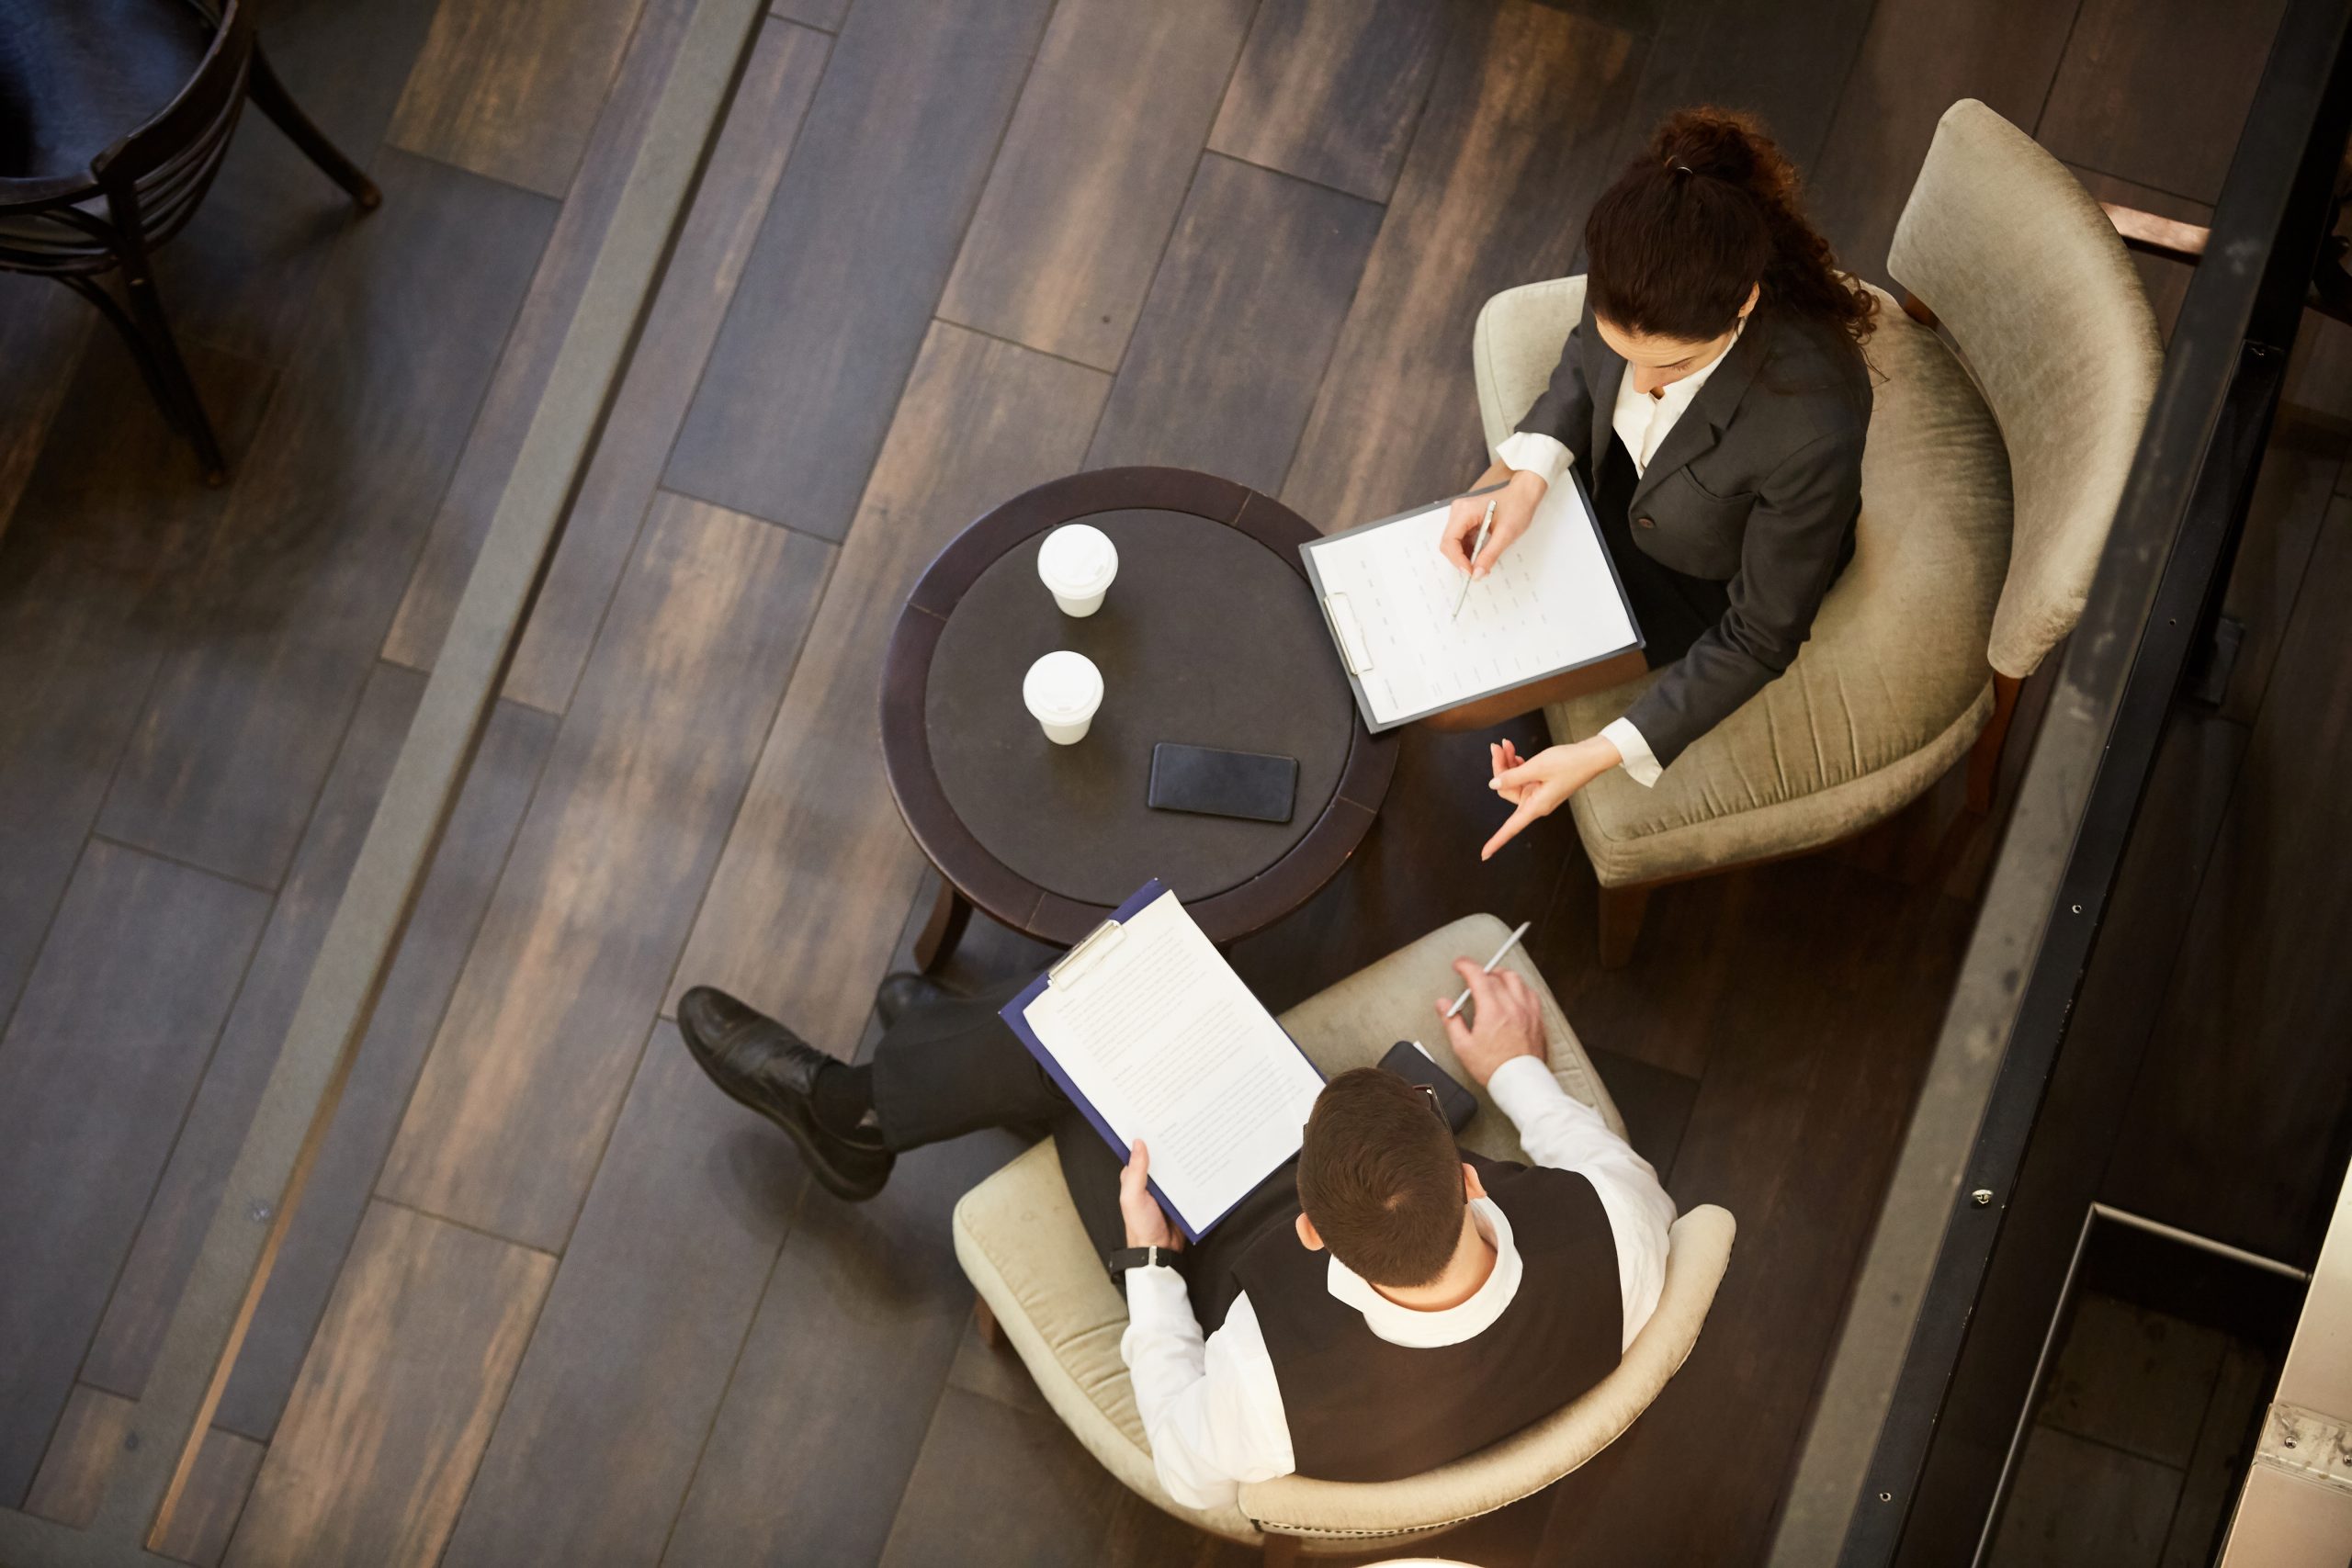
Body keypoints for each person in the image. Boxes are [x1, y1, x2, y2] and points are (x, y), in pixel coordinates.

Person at [675, 962, 1675, 1509]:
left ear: (1312, 1233)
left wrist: (1150, 1267)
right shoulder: (1619, 1229)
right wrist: (1515, 1071)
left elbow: (1188, 1461)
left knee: (1081, 1059)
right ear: (1463, 1178)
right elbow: (1590, 1155)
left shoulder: (1266, 1381)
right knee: (1083, 1036)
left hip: (1217, 1263)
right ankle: (936, 1048)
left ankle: (864, 1104)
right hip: (1381, 1262)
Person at [1432, 108, 1878, 860]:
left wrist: (1604, 749)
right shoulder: (1639, 272)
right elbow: (1585, 359)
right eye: (1624, 351)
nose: (1639, 386)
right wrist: (1531, 471)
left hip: (1706, 571)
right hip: (1620, 491)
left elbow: (1762, 632)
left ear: (1743, 303)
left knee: (1458, 695)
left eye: (1671, 367)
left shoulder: (1813, 424)